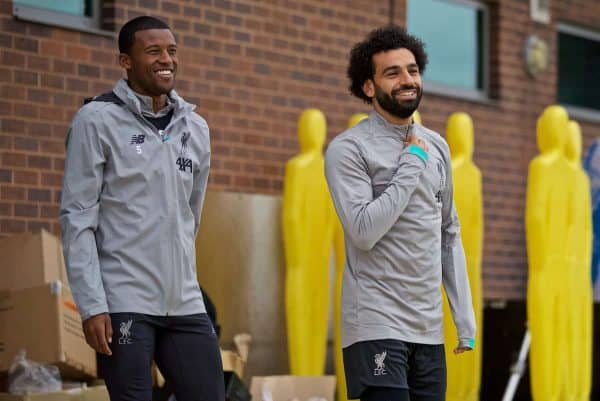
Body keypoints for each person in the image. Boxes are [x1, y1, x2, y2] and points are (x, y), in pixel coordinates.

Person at [59, 16, 225, 401]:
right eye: (153, 51)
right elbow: (77, 218)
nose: (166, 59)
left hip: (183, 299)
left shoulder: (194, 128)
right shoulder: (96, 120)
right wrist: (92, 305)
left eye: (171, 50)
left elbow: (191, 215)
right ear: (126, 61)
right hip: (124, 301)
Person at [324, 26, 476, 401]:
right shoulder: (349, 149)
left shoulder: (437, 146)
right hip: (376, 322)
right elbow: (363, 230)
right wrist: (411, 163)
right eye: (392, 73)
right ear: (368, 87)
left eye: (412, 70)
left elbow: (448, 233)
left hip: (427, 329)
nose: (407, 80)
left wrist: (464, 316)